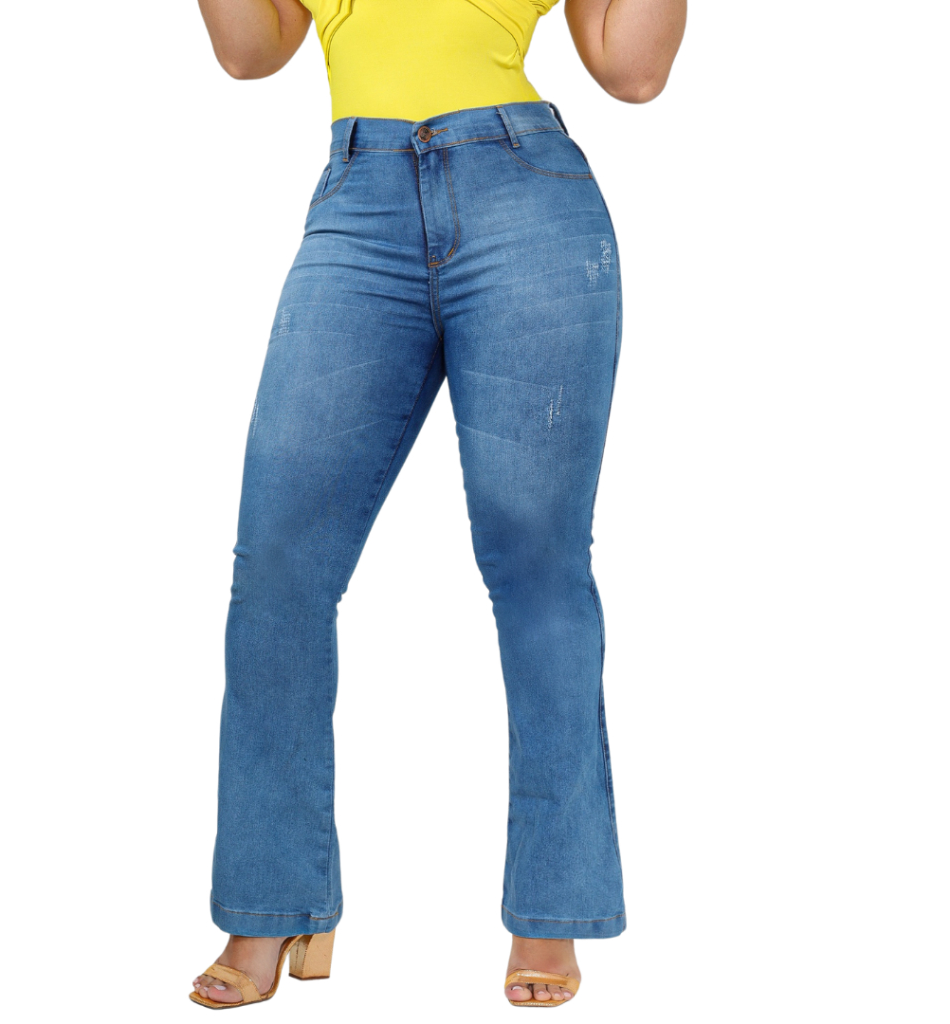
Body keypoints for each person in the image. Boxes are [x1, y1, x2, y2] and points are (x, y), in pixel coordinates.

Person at [189, 0, 685, 1009]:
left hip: (524, 191)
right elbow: (250, 50)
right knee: (277, 563)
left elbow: (631, 71)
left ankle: (552, 908)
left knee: (537, 561)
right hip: (356, 201)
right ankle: (272, 898)